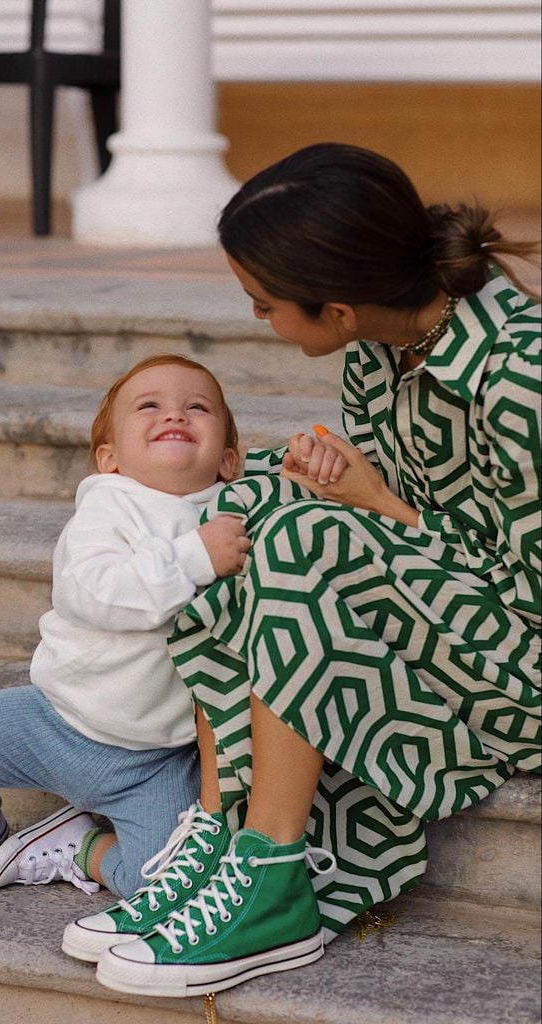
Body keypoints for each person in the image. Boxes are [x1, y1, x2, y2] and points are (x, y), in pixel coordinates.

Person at [65, 142, 541, 999]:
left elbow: (523, 592)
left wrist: (379, 508)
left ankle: (275, 877)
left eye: (264, 304)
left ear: (339, 309)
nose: (257, 320)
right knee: (237, 511)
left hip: (519, 663)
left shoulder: (521, 379)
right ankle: (218, 831)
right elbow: (402, 518)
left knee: (300, 542)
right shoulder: (375, 354)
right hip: (444, 610)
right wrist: (315, 477)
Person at [0, 354, 249, 905]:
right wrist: (195, 558)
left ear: (228, 459)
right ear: (110, 458)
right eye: (149, 406)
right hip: (56, 721)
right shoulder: (107, 509)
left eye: (197, 407)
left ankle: (80, 847)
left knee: (165, 885)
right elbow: (97, 591)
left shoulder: (236, 515)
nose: (175, 413)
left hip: (157, 758)